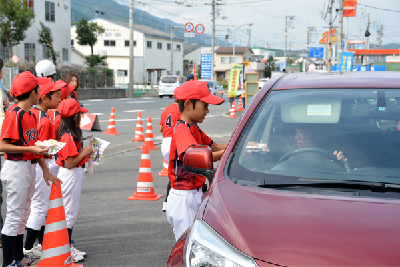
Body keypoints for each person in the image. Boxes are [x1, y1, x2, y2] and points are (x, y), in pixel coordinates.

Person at [0, 71, 61, 267]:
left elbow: (35, 146)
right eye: (38, 89)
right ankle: (8, 262)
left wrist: (45, 169)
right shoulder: (15, 114)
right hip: (16, 167)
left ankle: (19, 258)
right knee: (15, 215)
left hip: (29, 167)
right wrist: (31, 148)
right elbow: (2, 145)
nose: (39, 91)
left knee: (23, 214)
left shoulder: (30, 114)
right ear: (33, 92)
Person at [166, 80, 227, 241]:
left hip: (195, 194)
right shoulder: (182, 129)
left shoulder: (194, 128)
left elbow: (215, 147)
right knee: (187, 244)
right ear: (188, 105)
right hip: (184, 198)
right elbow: (194, 158)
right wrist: (227, 153)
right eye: (204, 106)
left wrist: (241, 145)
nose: (207, 111)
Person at [23, 80, 61, 259]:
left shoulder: (31, 113)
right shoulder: (44, 119)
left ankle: (38, 243)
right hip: (42, 165)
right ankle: (29, 247)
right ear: (45, 98)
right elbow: (43, 149)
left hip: (32, 165)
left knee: (37, 206)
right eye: (57, 95)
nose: (60, 98)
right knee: (39, 206)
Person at [56, 99, 92, 262]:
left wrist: (85, 154)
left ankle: (67, 247)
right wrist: (84, 153)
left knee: (70, 211)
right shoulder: (67, 136)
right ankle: (66, 250)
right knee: (69, 213)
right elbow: (70, 163)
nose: (82, 116)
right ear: (73, 117)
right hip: (70, 175)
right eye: (80, 114)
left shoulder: (69, 133)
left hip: (73, 175)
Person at [159, 98, 180, 212]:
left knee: (174, 171)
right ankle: (168, 201)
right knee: (178, 172)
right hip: (175, 142)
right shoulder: (181, 110)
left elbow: (160, 128)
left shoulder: (166, 109)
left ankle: (168, 202)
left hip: (165, 142)